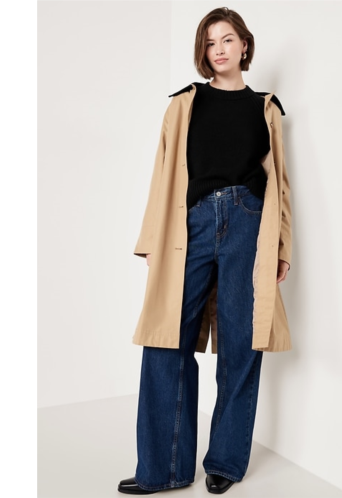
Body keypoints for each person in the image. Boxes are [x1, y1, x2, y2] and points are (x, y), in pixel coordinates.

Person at [118, 6, 293, 496]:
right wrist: (152, 241)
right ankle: (163, 468)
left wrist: (282, 246)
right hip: (190, 225)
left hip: (248, 224)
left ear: (244, 45)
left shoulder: (266, 108)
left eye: (228, 39)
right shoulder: (184, 104)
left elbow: (281, 183)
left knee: (241, 343)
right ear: (203, 51)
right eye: (210, 42)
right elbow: (162, 174)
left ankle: (225, 462)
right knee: (165, 341)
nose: (219, 49)